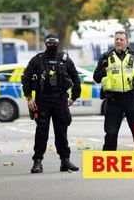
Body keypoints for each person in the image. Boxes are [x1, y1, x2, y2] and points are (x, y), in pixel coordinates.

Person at [22, 34, 81, 173]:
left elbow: (76, 78)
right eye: (50, 43)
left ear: (58, 43)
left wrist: (74, 97)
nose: (52, 46)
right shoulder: (38, 60)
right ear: (45, 44)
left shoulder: (65, 60)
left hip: (60, 100)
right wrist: (29, 98)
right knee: (41, 132)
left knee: (62, 131)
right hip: (42, 100)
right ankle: (37, 161)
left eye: (54, 43)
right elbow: (26, 78)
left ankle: (65, 160)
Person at [93, 30, 134, 151]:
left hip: (132, 99)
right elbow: (96, 77)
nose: (118, 41)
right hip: (114, 100)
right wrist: (105, 70)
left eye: (121, 39)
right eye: (117, 39)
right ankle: (108, 163)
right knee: (111, 134)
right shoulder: (106, 57)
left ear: (126, 42)